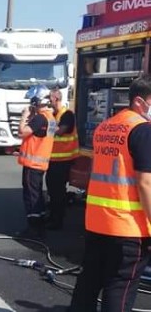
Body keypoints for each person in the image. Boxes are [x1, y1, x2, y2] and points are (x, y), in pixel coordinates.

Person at [69, 75, 151, 312]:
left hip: (98, 222)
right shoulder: (143, 130)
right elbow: (145, 183)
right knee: (120, 287)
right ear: (139, 101)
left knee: (90, 281)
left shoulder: (107, 126)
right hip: (129, 227)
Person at [17, 84, 57, 238]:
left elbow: (22, 132)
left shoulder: (40, 118)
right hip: (41, 163)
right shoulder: (50, 118)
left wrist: (24, 117)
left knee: (31, 196)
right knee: (38, 195)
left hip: (32, 164)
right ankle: (39, 226)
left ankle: (33, 229)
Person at [45, 89, 79, 230]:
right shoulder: (54, 115)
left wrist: (44, 126)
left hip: (64, 160)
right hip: (53, 160)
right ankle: (52, 215)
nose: (48, 101)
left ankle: (58, 220)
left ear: (56, 99)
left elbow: (59, 131)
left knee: (58, 191)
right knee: (51, 189)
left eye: (50, 99)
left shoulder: (67, 114)